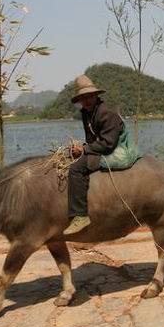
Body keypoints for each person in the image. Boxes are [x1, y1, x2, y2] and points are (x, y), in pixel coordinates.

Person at [63, 75, 124, 235]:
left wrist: (85, 150)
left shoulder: (106, 113)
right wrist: (82, 147)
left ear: (96, 95)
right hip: (101, 146)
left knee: (76, 170)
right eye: (83, 97)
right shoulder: (87, 112)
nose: (87, 100)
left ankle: (80, 216)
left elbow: (108, 143)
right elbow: (91, 139)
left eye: (89, 96)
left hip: (114, 149)